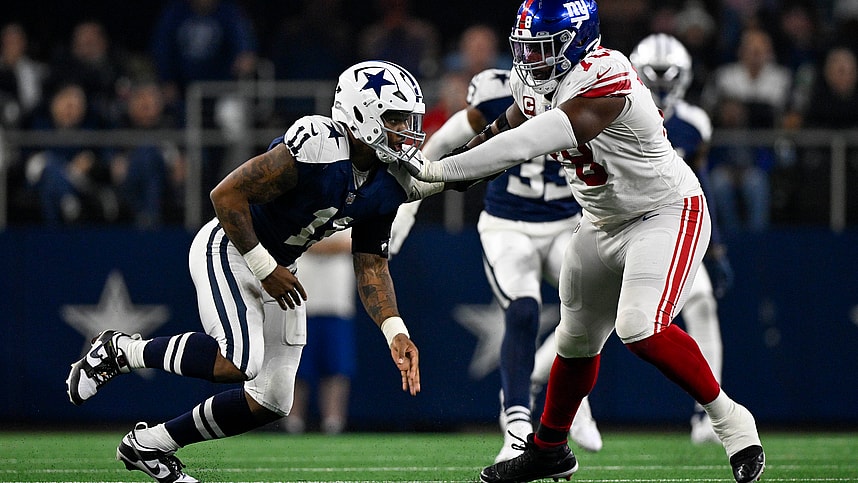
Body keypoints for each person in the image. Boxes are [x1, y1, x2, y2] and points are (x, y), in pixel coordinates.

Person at [401, 1, 766, 482]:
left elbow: (523, 144)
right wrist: (459, 160)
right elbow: (507, 125)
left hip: (664, 214)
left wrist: (437, 173)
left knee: (640, 327)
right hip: (600, 221)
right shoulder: (536, 81)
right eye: (525, 47)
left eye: (543, 47)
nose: (530, 59)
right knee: (575, 341)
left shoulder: (604, 76)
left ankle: (730, 420)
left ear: (575, 42)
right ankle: (549, 449)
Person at [66, 60, 452, 482]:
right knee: (239, 360)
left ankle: (150, 445)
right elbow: (226, 195)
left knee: (272, 398)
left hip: (278, 266)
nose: (405, 131)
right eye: (394, 119)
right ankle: (121, 351)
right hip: (232, 247)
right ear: (360, 113)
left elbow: (372, 266)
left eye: (407, 119)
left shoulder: (384, 182)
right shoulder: (319, 145)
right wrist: (265, 266)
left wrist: (395, 331)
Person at [389, 67, 602, 459]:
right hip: (508, 225)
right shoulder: (495, 95)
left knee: (602, 305)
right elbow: (437, 147)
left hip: (566, 224)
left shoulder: (584, 95)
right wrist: (406, 212)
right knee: (523, 311)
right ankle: (518, 428)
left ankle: (562, 388)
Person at [284, 229, 357, 435]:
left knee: (337, 367)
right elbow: (291, 242)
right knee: (297, 366)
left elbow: (353, 243)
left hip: (336, 302)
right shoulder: (301, 212)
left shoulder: (348, 213)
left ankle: (334, 420)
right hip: (300, 302)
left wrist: (314, 245)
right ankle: (293, 419)